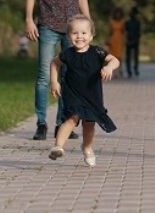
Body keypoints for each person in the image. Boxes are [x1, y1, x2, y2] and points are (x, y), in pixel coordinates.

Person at [25, 0, 91, 141]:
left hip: (72, 29)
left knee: (68, 76)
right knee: (44, 75)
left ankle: (62, 123)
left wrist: (88, 22)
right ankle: (41, 123)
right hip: (48, 24)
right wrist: (28, 20)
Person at [47, 15, 119, 167]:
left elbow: (115, 60)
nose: (79, 36)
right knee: (72, 118)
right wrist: (54, 82)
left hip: (92, 95)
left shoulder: (98, 52)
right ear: (68, 36)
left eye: (84, 33)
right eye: (75, 33)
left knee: (89, 123)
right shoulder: (67, 54)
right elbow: (54, 63)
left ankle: (87, 148)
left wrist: (108, 67)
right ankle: (58, 147)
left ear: (91, 35)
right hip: (72, 93)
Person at [107, 7, 125, 78]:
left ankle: (120, 70)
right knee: (113, 56)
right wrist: (108, 40)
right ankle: (113, 72)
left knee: (119, 56)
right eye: (116, 13)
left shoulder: (123, 22)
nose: (117, 15)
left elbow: (124, 32)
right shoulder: (112, 22)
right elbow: (110, 32)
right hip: (113, 40)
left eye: (119, 14)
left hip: (120, 40)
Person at [124, 7, 142, 77]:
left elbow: (138, 32)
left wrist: (136, 40)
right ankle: (129, 71)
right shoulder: (127, 22)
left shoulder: (138, 22)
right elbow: (125, 32)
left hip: (135, 41)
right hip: (129, 41)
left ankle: (135, 69)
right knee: (129, 57)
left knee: (135, 57)